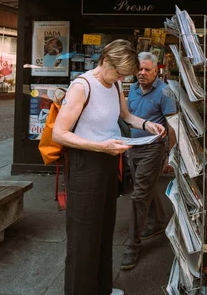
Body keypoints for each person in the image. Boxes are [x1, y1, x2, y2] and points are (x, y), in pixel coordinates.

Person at [52, 40, 165, 295]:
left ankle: (100, 288)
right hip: (85, 163)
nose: (122, 78)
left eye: (125, 74)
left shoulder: (113, 84)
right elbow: (60, 133)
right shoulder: (82, 86)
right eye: (119, 72)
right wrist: (100, 146)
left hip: (107, 159)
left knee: (103, 230)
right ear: (105, 61)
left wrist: (147, 125)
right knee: (83, 237)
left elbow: (124, 115)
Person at [121, 52, 177, 271]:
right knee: (146, 188)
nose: (142, 73)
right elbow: (128, 115)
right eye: (139, 69)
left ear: (156, 71)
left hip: (152, 149)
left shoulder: (164, 92)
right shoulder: (133, 89)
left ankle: (131, 246)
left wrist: (170, 155)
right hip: (131, 148)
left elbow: (172, 125)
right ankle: (158, 223)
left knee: (138, 196)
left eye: (147, 70)